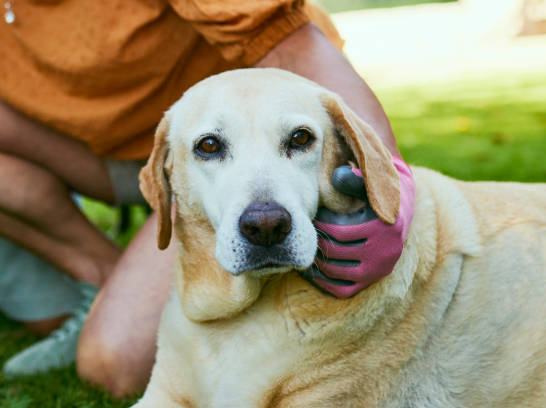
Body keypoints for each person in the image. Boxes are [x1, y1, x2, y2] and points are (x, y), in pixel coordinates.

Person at [0, 0, 415, 397]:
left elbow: (291, 39)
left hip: (255, 130)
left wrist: (390, 180)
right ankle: (104, 277)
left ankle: (126, 301)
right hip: (140, 151)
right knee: (116, 343)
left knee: (114, 363)